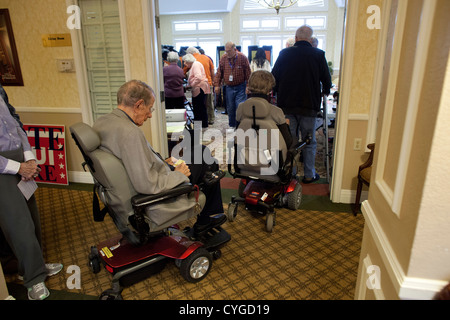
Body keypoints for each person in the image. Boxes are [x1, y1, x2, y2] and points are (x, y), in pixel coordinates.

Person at [93, 80, 226, 234]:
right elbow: (147, 185)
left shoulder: (102, 122)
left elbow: (133, 161)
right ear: (139, 105)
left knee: (200, 151)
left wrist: (162, 162)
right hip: (156, 192)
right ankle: (205, 219)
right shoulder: (130, 133)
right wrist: (178, 175)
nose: (150, 115)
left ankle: (207, 215)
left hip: (151, 176)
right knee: (208, 162)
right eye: (149, 109)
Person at [0, 85, 63, 300]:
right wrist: (17, 167)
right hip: (2, 167)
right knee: (18, 225)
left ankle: (36, 265)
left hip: (18, 155)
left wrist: (28, 157)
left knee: (32, 217)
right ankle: (33, 279)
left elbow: (15, 122)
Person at [272, 25, 332, 184]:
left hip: (286, 106)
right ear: (311, 39)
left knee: (289, 141)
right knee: (309, 141)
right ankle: (309, 174)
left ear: (296, 38)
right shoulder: (318, 55)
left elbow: (274, 77)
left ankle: (290, 173)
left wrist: (277, 91)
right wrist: (324, 91)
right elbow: (327, 81)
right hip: (309, 107)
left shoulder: (284, 53)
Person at [237, 70, 292, 149]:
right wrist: (286, 126)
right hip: (272, 159)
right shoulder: (277, 112)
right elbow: (288, 142)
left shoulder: (240, 108)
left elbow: (239, 135)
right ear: (270, 89)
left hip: (245, 156)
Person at [214, 41, 251, 129]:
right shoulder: (223, 58)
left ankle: (240, 126)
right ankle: (232, 126)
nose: (227, 53)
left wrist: (248, 86)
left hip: (241, 86)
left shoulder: (242, 57)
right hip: (229, 87)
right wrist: (217, 85)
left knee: (239, 106)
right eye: (226, 51)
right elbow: (219, 72)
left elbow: (248, 73)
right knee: (230, 108)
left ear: (234, 49)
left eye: (229, 51)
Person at [186, 47, 215, 125]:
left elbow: (196, 76)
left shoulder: (194, 61)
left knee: (199, 105)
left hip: (199, 86)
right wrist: (213, 81)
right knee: (208, 104)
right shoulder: (207, 58)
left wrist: (191, 84)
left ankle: (202, 122)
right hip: (208, 83)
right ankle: (211, 119)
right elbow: (212, 70)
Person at [183, 53, 210, 128]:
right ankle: (202, 124)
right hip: (199, 87)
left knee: (199, 106)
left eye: (185, 62)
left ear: (189, 60)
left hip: (199, 88)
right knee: (199, 106)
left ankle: (201, 124)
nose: (185, 64)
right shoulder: (195, 65)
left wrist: (191, 84)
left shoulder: (195, 65)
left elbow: (198, 77)